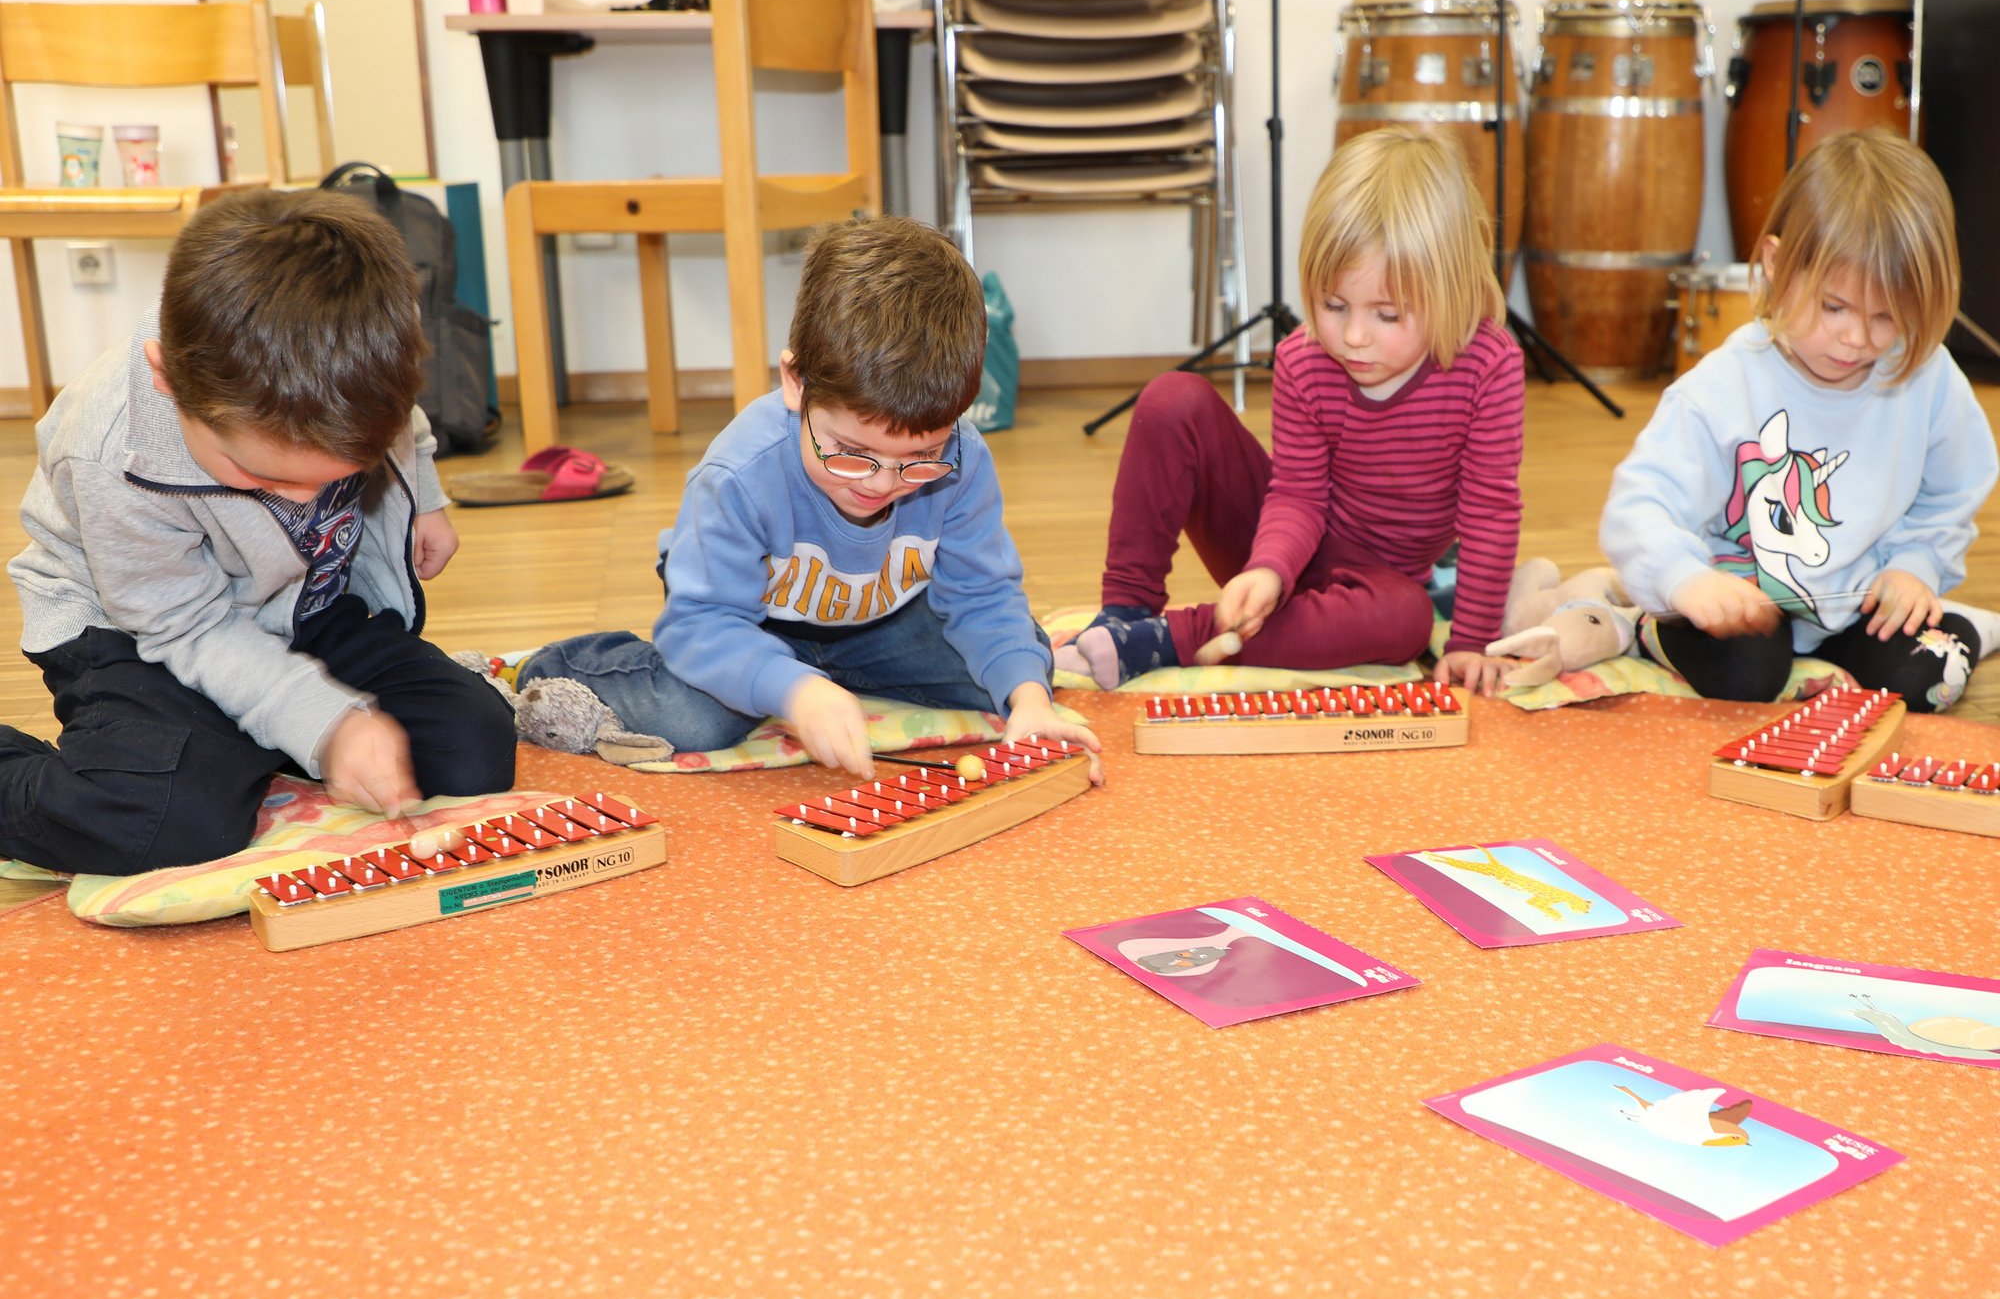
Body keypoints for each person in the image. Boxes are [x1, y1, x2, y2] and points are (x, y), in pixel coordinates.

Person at [0, 189, 516, 877]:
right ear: (166, 379)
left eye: (336, 474)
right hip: (143, 632)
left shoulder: (350, 361)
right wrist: (328, 724)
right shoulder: (108, 452)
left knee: (472, 747)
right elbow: (184, 626)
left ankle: (245, 740)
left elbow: (403, 415)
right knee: (162, 824)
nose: (304, 504)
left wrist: (423, 494)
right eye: (257, 474)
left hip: (300, 606)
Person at [519, 216, 1101, 781]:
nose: (879, 483)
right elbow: (703, 623)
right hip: (743, 620)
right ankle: (569, 665)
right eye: (850, 452)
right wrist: (793, 689)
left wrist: (1029, 701)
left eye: (919, 460)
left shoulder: (962, 458)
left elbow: (983, 595)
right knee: (692, 720)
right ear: (796, 383)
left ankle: (833, 679)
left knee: (1012, 669)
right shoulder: (738, 474)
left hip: (881, 625)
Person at [1057, 126, 1524, 695]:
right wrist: (1268, 570)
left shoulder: (1489, 367)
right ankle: (1126, 617)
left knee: (1408, 620)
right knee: (1171, 399)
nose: (1353, 336)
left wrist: (1471, 641)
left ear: (1448, 291)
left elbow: (1489, 514)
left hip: (1375, 590)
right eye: (1333, 304)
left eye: (1388, 314)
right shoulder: (1304, 360)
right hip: (1278, 549)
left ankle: (1170, 639)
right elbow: (1299, 494)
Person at [1601, 128, 1999, 711]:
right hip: (1741, 606)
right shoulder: (1722, 385)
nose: (1857, 338)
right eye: (1833, 307)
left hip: (1857, 602)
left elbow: (1952, 491)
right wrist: (1686, 582)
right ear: (1777, 265)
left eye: (1888, 317)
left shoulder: (1927, 376)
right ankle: (1643, 626)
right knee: (1745, 678)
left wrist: (1917, 567)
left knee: (1925, 681)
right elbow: (1640, 503)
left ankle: (1958, 626)